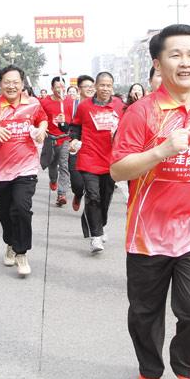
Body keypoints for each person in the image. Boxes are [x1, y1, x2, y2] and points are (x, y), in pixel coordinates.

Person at [111, 24, 190, 379]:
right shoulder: (141, 113)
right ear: (158, 63)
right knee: (145, 312)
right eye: (175, 55)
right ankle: (149, 370)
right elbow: (118, 170)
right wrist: (161, 151)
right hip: (148, 232)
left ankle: (188, 371)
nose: (185, 63)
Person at [0, 64, 47, 277]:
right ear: (0, 84)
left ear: (22, 84)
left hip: (27, 167)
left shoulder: (33, 103)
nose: (11, 86)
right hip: (1, 171)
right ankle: (11, 244)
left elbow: (42, 118)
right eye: (7, 82)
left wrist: (41, 130)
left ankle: (22, 253)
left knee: (21, 209)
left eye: (16, 82)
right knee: (5, 212)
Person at [69, 72, 124, 252]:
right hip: (89, 157)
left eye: (109, 85)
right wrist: (74, 139)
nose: (105, 89)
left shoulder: (119, 106)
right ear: (96, 86)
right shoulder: (85, 106)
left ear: (112, 87)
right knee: (93, 196)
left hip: (111, 160)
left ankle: (101, 224)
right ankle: (96, 236)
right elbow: (75, 126)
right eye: (102, 85)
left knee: (106, 197)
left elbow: (128, 127)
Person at [40, 76, 74, 207]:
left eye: (62, 87)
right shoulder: (45, 102)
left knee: (64, 166)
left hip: (64, 138)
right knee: (52, 165)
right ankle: (53, 180)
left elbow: (73, 121)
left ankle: (62, 194)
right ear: (52, 88)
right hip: (50, 138)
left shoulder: (70, 102)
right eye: (57, 87)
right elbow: (40, 118)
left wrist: (65, 122)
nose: (60, 90)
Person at [68, 74, 96, 211]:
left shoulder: (101, 105)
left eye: (92, 86)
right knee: (77, 184)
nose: (91, 89)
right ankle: (78, 194)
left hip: (95, 151)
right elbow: (67, 126)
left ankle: (92, 215)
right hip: (77, 148)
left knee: (94, 189)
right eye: (87, 86)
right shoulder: (72, 105)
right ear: (79, 89)